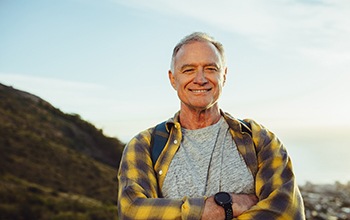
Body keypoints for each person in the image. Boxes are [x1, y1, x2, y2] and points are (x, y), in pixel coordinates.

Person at [117, 32, 305, 219]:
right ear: (173, 79)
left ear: (224, 75)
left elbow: (287, 212)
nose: (200, 79)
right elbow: (132, 211)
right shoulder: (144, 145)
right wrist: (220, 207)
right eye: (188, 70)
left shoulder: (259, 139)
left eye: (210, 69)